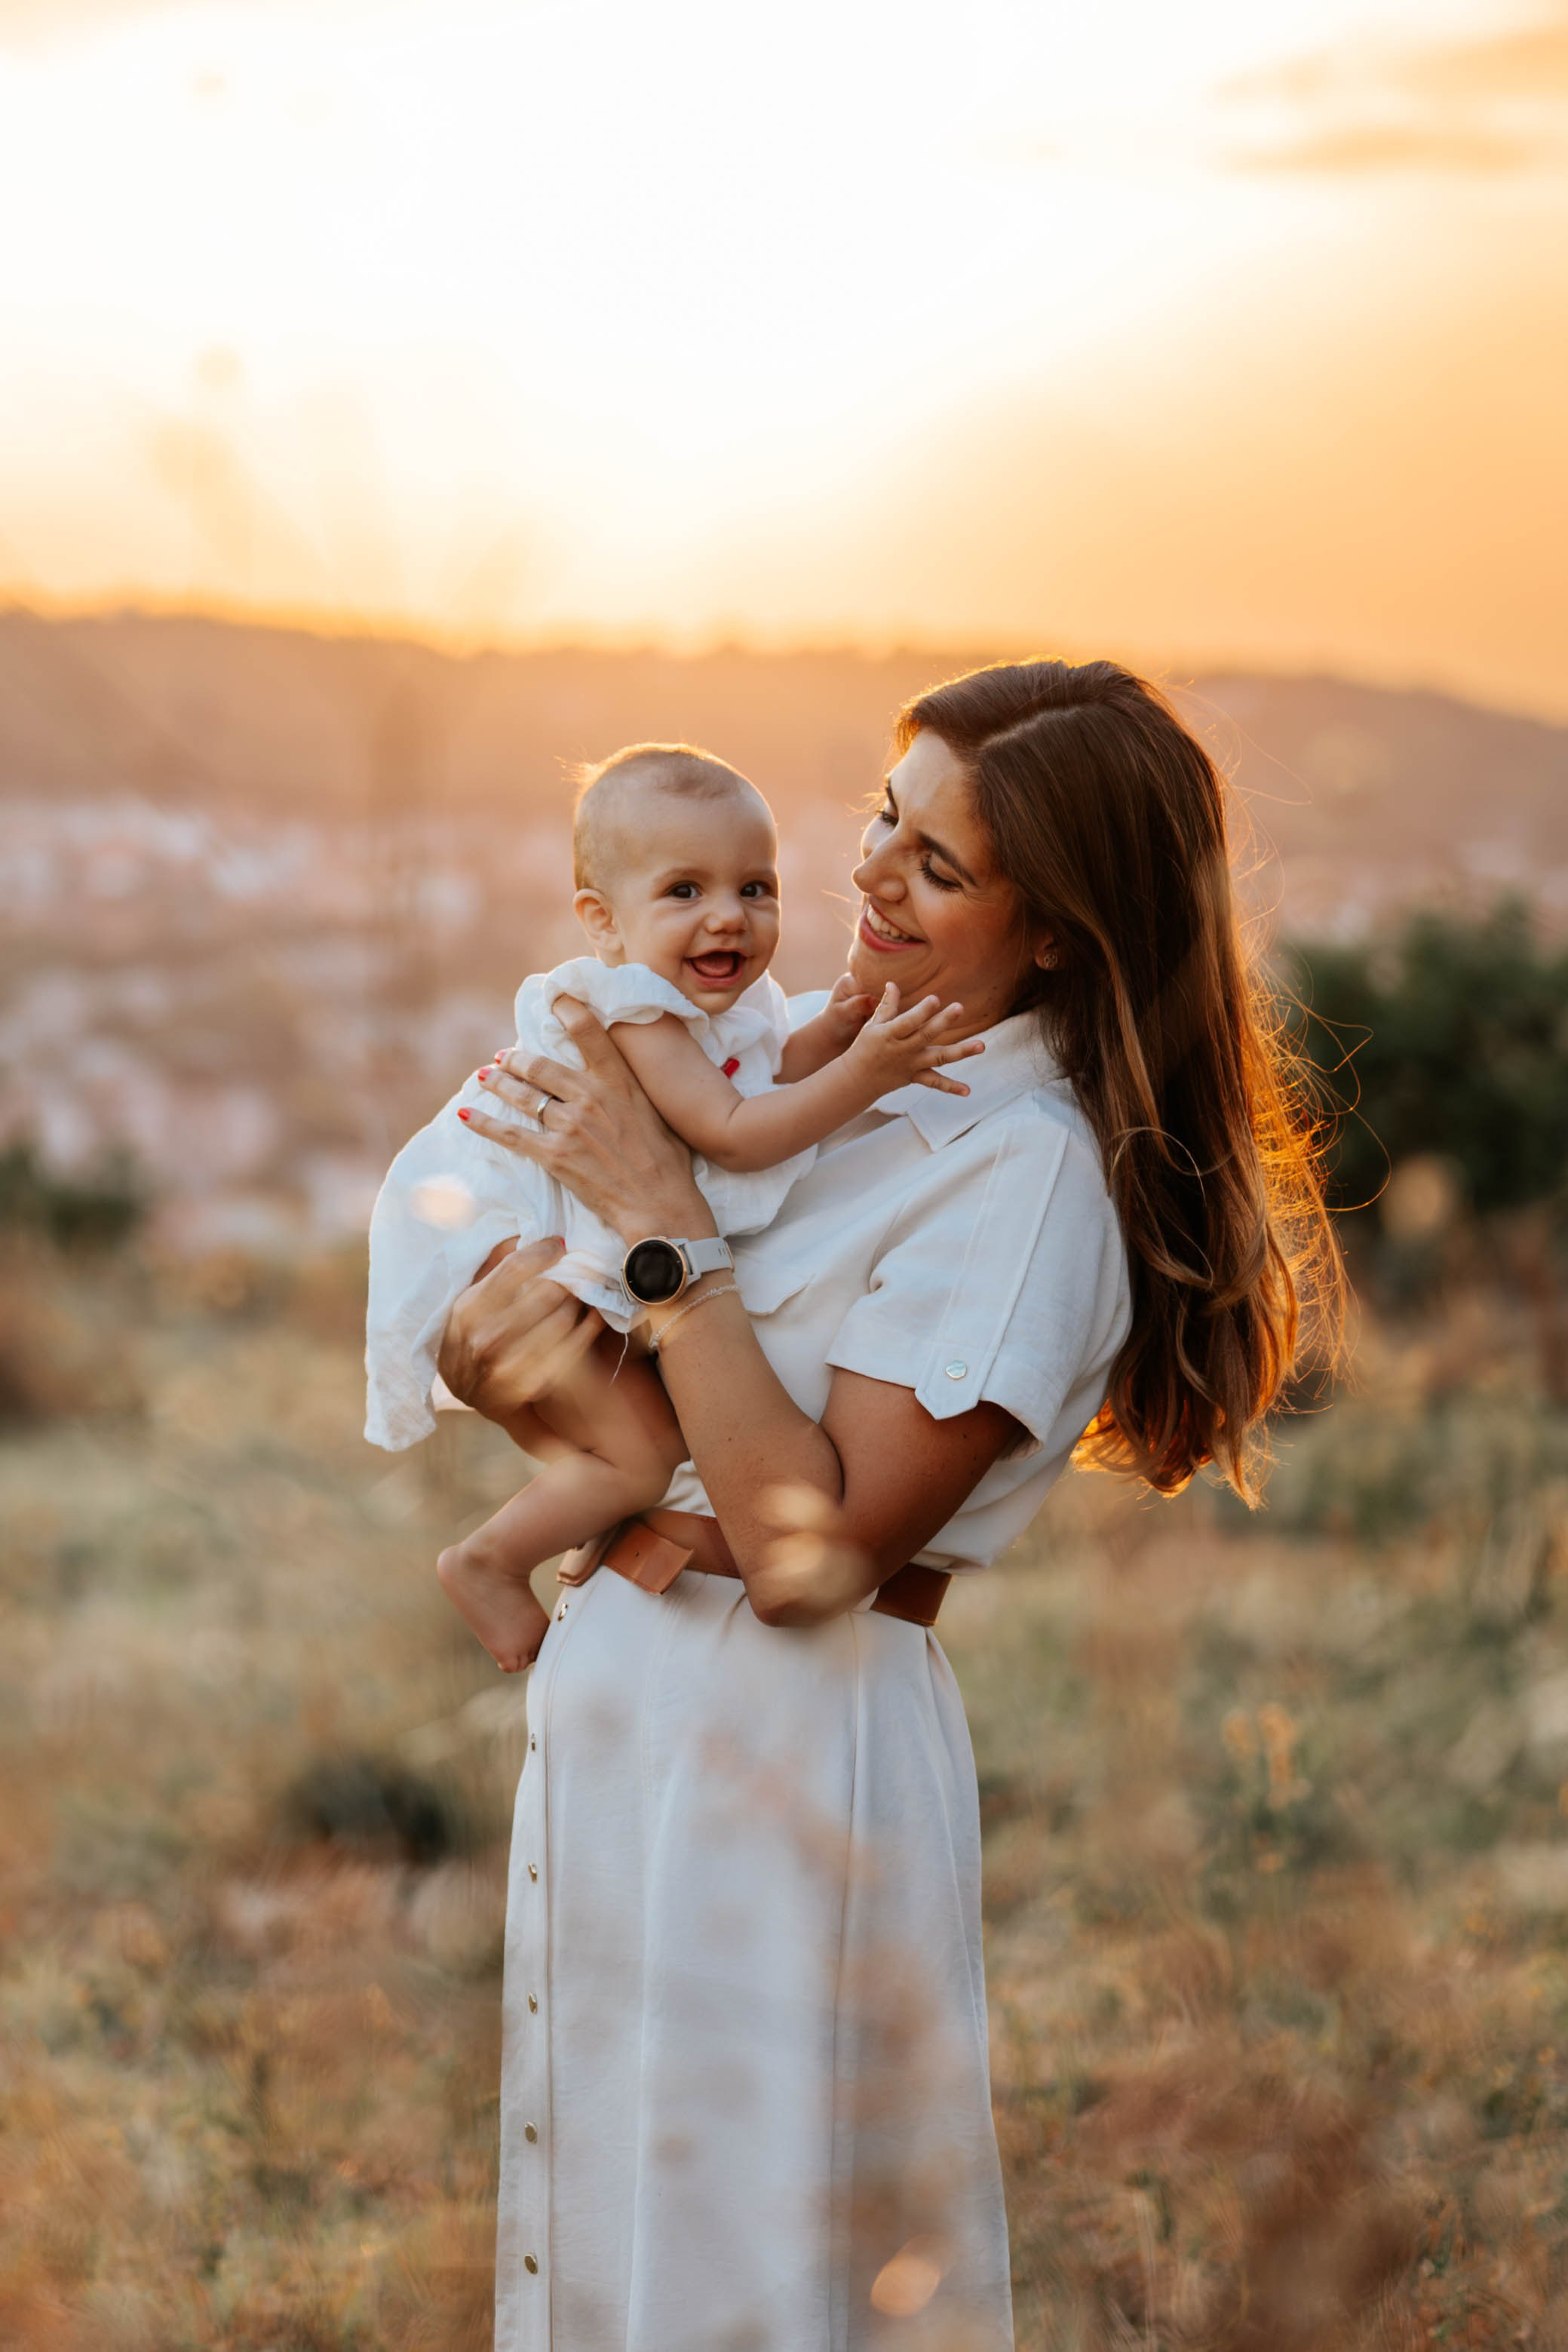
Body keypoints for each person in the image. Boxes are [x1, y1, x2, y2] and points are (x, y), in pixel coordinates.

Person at [437, 660, 1339, 2350]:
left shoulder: (1025, 1172)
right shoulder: (826, 1079)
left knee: (751, 2264)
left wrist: (661, 1239)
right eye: (879, 814)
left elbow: (812, 1554)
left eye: (934, 861)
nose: (863, 876)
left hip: (785, 1739)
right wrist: (519, 1365)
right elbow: (702, 1427)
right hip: (636, 1685)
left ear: (1058, 927)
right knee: (616, 2235)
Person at [364, 742, 980, 1672]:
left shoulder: (729, 1005)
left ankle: (521, 1552)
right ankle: (487, 1560)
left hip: (558, 1243)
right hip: (507, 1234)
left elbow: (767, 1080)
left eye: (755, 887)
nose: (728, 916)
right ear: (602, 923)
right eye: (684, 892)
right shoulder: (632, 1009)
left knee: (635, 1442)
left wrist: (834, 1031)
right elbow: (731, 1130)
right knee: (640, 1457)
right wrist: (869, 1072)